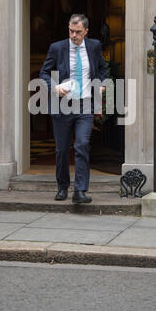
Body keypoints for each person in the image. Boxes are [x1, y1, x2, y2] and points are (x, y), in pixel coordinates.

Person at [39, 14, 107, 203]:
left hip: (85, 104)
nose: (74, 35)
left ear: (86, 31)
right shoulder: (57, 48)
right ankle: (62, 187)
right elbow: (44, 72)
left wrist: (102, 84)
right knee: (62, 150)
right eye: (71, 31)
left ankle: (80, 191)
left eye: (78, 32)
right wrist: (54, 87)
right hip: (62, 105)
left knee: (82, 145)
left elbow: (102, 69)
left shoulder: (94, 47)